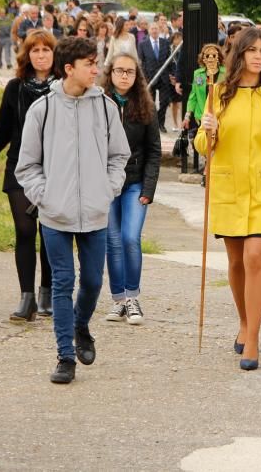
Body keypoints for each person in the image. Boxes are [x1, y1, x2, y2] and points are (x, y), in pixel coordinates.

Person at [15, 37, 130, 384]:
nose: (96, 69)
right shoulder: (43, 110)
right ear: (69, 69)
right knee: (63, 282)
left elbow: (119, 156)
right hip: (55, 215)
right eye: (89, 63)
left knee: (93, 281)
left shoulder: (107, 108)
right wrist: (44, 196)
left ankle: (81, 325)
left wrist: (108, 189)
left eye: (96, 62)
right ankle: (65, 355)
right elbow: (27, 165)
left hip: (95, 213)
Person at [195, 27, 261, 370]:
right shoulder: (219, 92)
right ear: (238, 55)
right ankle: (244, 321)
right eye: (251, 50)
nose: (258, 56)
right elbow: (203, 147)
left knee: (257, 257)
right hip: (229, 186)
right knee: (237, 261)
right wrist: (207, 129)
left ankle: (253, 338)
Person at [0, 30, 57, 321]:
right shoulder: (15, 88)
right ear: (27, 55)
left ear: (54, 54)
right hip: (20, 168)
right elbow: (2, 130)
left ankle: (47, 294)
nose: (41, 55)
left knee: (49, 232)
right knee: (25, 230)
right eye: (35, 50)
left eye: (46, 50)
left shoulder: (63, 88)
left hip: (54, 170)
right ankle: (26, 298)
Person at [100, 53, 161, 325]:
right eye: (119, 70)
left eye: (130, 72)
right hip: (105, 185)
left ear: (137, 77)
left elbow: (154, 151)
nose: (124, 76)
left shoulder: (145, 107)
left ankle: (133, 297)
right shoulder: (98, 103)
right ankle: (119, 300)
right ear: (110, 73)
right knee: (111, 242)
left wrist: (149, 188)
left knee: (130, 238)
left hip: (135, 183)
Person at [137, 21, 172, 132]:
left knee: (164, 102)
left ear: (159, 30)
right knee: (150, 102)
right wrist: (143, 78)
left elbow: (170, 61)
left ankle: (161, 124)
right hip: (149, 78)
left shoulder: (165, 42)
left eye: (156, 28)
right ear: (149, 30)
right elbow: (141, 62)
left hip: (164, 77)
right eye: (152, 28)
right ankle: (151, 124)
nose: (154, 30)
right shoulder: (143, 44)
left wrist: (173, 75)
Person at [184, 44, 225, 129]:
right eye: (207, 55)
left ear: (218, 57)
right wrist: (187, 116)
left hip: (220, 117)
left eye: (214, 55)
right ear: (203, 58)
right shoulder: (198, 73)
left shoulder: (225, 73)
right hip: (201, 117)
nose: (210, 58)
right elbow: (193, 95)